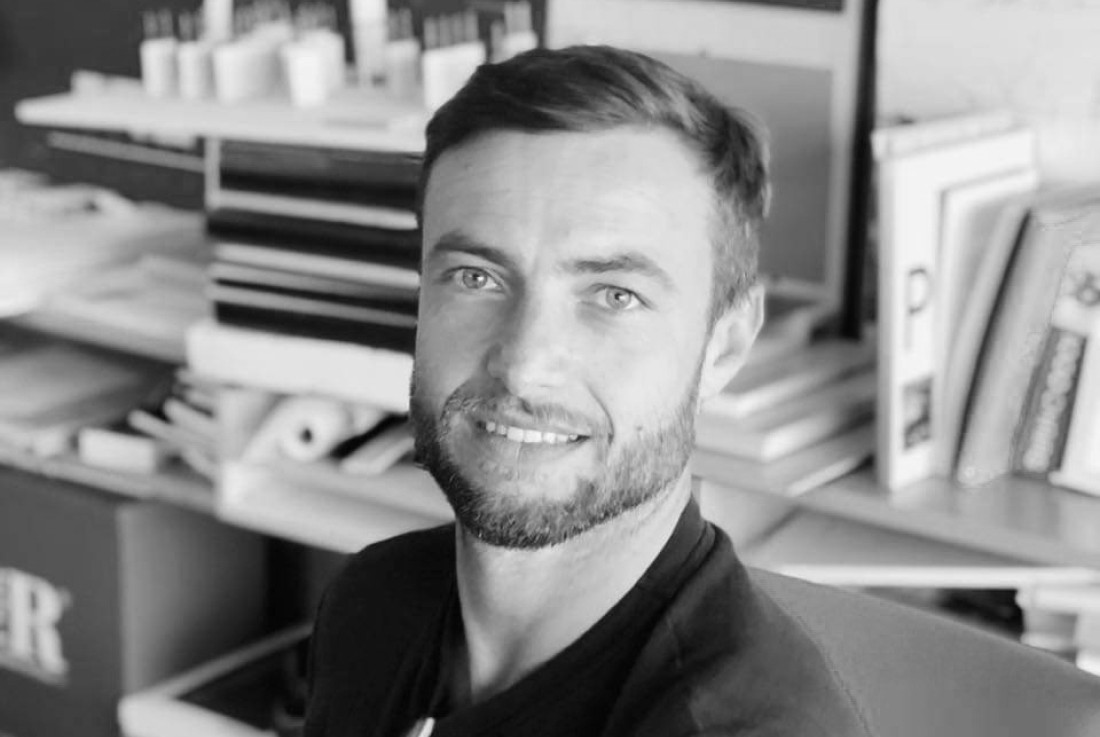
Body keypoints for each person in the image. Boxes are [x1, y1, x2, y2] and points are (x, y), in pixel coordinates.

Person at [304, 45, 870, 737]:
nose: (524, 366)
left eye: (614, 294)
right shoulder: (370, 606)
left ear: (722, 344)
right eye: (477, 277)